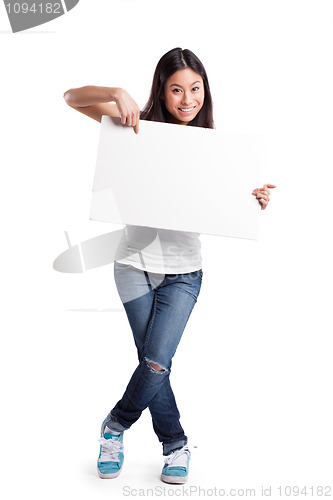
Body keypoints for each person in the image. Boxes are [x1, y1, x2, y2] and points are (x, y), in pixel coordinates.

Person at [64, 47, 275, 484]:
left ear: (205, 92)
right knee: (155, 361)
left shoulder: (214, 147)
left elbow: (228, 206)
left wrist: (254, 201)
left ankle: (116, 426)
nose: (186, 99)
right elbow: (71, 97)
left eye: (195, 89)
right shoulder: (135, 125)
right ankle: (175, 446)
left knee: (156, 363)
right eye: (176, 89)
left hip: (184, 273)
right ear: (162, 89)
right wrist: (115, 92)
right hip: (132, 266)